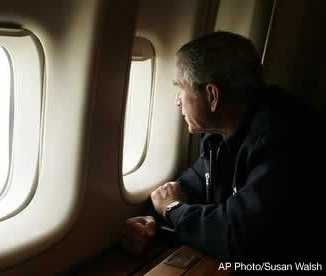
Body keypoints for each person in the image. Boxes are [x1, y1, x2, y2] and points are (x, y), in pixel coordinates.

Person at [121, 31, 325, 265]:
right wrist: (150, 221)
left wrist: (173, 210)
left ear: (212, 95)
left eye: (180, 87)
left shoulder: (284, 136)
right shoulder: (219, 136)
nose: (177, 100)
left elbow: (239, 236)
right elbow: (183, 189)